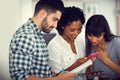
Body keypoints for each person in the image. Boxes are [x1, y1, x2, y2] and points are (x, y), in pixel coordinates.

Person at [9, 0, 77, 80]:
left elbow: (40, 71)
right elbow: (19, 77)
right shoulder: (26, 36)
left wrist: (56, 76)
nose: (55, 25)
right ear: (42, 14)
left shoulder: (37, 35)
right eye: (54, 19)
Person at [48, 6, 93, 80]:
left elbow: (84, 70)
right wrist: (75, 65)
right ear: (62, 26)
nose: (76, 33)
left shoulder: (80, 40)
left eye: (79, 29)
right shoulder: (54, 45)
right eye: (72, 30)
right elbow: (57, 76)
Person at [85, 14, 120, 80]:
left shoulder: (116, 42)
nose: (93, 40)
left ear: (104, 32)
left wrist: (105, 59)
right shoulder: (88, 44)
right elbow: (91, 71)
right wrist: (90, 74)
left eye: (97, 36)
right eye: (90, 35)